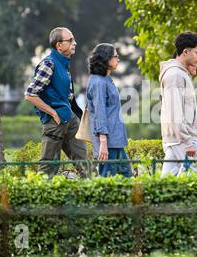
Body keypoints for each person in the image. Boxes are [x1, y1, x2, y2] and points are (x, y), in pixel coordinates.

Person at [25, 27, 87, 178]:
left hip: (70, 119)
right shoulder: (49, 64)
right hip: (54, 121)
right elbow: (30, 94)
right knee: (48, 169)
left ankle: (92, 197)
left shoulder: (64, 63)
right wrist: (52, 112)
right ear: (59, 45)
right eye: (70, 40)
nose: (75, 43)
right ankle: (42, 200)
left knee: (86, 165)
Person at [159, 31, 197, 177]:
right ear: (185, 52)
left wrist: (196, 134)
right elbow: (175, 113)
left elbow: (185, 112)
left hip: (178, 141)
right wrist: (187, 142)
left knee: (167, 187)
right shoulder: (175, 75)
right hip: (182, 142)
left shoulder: (180, 73)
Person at [86, 43, 132, 177]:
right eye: (115, 56)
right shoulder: (98, 82)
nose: (118, 59)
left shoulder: (106, 79)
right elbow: (100, 113)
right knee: (107, 179)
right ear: (105, 59)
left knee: (126, 176)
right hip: (108, 142)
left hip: (116, 141)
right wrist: (103, 143)